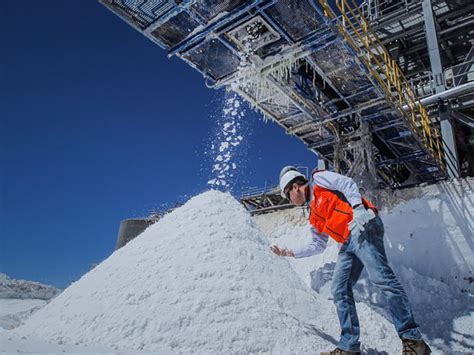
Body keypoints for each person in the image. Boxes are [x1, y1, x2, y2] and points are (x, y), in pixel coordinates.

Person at [270, 162, 431, 355]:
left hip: (363, 226)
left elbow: (346, 183)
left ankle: (413, 340)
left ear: (295, 188)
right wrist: (290, 252)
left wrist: (358, 209)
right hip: (347, 242)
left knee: (382, 279)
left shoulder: (318, 180)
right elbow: (318, 245)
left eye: (287, 196)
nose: (290, 201)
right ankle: (349, 347)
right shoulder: (313, 215)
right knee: (339, 288)